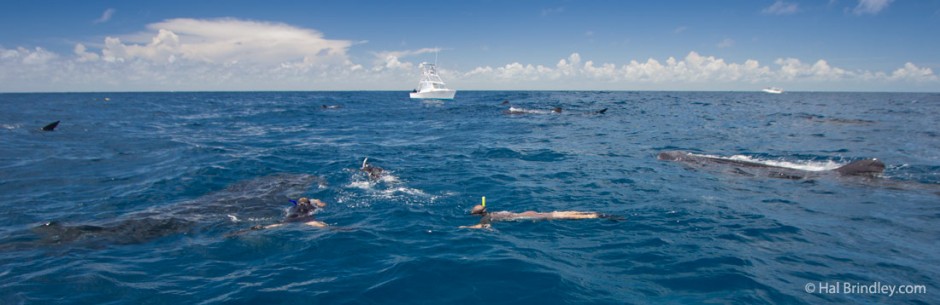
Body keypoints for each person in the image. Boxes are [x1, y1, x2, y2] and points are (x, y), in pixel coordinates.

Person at [459, 204, 617, 229]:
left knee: (563, 217)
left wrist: (465, 227)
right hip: (530, 213)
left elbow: (483, 227)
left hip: (530, 217)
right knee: (559, 213)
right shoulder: (495, 213)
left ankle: (599, 217)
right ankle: (597, 214)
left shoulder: (487, 219)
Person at [228, 197, 328, 236]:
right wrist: (320, 203)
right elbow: (322, 204)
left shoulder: (294, 205)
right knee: (318, 224)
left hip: (291, 216)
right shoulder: (311, 202)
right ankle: (338, 229)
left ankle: (259, 228)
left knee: (277, 225)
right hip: (304, 217)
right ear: (308, 202)